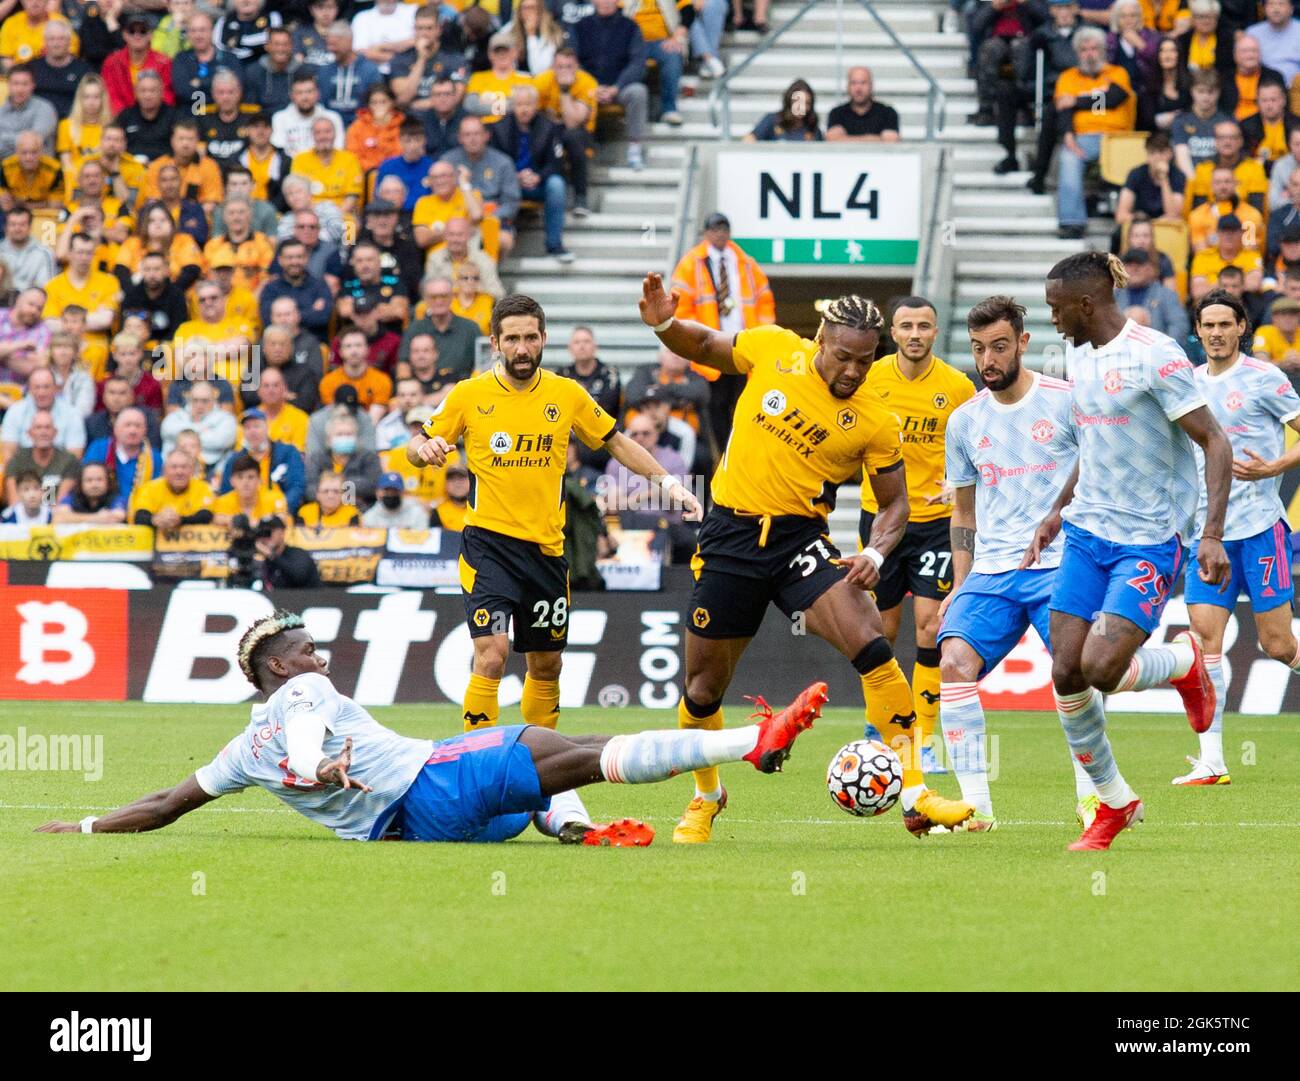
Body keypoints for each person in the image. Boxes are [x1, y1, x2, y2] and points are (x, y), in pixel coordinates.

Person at [638, 272, 983, 842]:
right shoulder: (774, 349)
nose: (853, 370)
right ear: (820, 339)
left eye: (867, 360)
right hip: (730, 537)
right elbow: (702, 346)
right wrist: (665, 324)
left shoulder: (875, 417)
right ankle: (706, 796)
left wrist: (876, 548)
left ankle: (917, 795)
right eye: (844, 356)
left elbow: (895, 506)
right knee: (701, 691)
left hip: (801, 540)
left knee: (873, 646)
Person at [37, 611, 831, 847]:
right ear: (279, 667)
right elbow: (311, 745)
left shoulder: (242, 750)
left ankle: (568, 828)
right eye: (304, 646)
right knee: (576, 751)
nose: (319, 652)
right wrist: (316, 767)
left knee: (542, 780)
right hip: (431, 779)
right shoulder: (303, 692)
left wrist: (85, 822)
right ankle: (746, 743)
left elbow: (168, 802)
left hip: (421, 830)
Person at [407, 293, 703, 737]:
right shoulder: (469, 395)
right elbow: (417, 445)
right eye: (512, 339)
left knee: (546, 665)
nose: (521, 348)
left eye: (530, 337)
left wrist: (670, 483)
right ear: (495, 342)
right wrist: (423, 449)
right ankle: (475, 767)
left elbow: (616, 441)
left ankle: (539, 772)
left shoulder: (566, 394)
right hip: (488, 545)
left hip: (546, 551)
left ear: (544, 339)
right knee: (491, 654)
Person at [1023, 250, 1233, 850]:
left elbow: (1214, 442)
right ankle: (1114, 803)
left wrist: (1210, 534)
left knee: (1101, 670)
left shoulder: (1156, 355)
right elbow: (1090, 445)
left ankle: (1184, 663)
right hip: (1088, 533)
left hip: (1148, 539)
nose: (1052, 319)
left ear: (1087, 304)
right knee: (1064, 670)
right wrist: (1058, 511)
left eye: (1057, 308)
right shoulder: (1079, 355)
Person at [938, 295, 1105, 823]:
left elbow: (1101, 477)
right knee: (953, 666)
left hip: (1060, 565)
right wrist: (960, 585)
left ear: (1023, 343)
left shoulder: (1065, 401)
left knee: (1073, 674)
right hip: (990, 572)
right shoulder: (964, 421)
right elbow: (963, 514)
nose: (988, 359)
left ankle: (1094, 797)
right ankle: (975, 809)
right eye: (979, 348)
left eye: (1000, 346)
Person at [1178, 288, 1300, 784]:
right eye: (1207, 325)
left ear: (1242, 328)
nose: (1216, 333)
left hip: (1259, 531)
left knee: (1278, 645)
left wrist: (1277, 464)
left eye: (1225, 324)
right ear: (1198, 331)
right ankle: (1212, 761)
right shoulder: (1184, 385)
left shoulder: (1264, 379)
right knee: (1206, 642)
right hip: (1209, 537)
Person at [856, 297, 975, 774]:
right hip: (881, 519)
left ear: (934, 331)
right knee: (879, 629)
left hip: (932, 523)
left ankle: (922, 739)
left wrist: (962, 483)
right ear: (894, 331)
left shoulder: (958, 386)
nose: (916, 334)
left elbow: (975, 444)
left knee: (931, 625)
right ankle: (879, 726)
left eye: (924, 325)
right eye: (906, 325)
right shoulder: (871, 377)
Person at [670, 211, 774, 447]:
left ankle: (737, 449)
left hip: (742, 343)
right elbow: (681, 304)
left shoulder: (746, 263)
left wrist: (762, 336)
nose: (719, 234)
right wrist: (692, 338)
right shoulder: (691, 263)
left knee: (743, 403)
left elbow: (764, 300)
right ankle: (722, 455)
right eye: (714, 229)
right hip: (710, 345)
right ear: (706, 233)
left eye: (724, 229)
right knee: (715, 407)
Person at [1054, 26, 1136, 238]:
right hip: (1084, 138)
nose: (1090, 54)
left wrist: (1077, 101)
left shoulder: (1117, 72)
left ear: (1103, 50)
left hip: (1119, 138)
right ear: (1078, 53)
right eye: (1084, 49)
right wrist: (1068, 135)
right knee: (1068, 157)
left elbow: (1114, 98)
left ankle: (1129, 219)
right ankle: (1072, 222)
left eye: (1094, 48)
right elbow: (1063, 109)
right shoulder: (1067, 77)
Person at [489, 85, 572, 262]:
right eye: (519, 104)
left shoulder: (549, 127)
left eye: (528, 104)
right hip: (507, 185)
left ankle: (554, 245)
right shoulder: (499, 127)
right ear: (512, 106)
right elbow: (494, 161)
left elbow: (557, 163)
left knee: (556, 184)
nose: (524, 109)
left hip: (536, 183)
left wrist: (538, 176)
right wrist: (514, 177)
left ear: (536, 105)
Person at [572, 0, 649, 170]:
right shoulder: (580, 27)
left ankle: (635, 149)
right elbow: (573, 62)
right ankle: (580, 153)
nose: (605, 2)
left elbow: (637, 63)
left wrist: (617, 87)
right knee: (567, 95)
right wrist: (591, 87)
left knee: (638, 92)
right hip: (588, 89)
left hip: (619, 87)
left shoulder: (630, 27)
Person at [532, 46, 597, 216]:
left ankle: (580, 198)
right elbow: (528, 113)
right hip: (549, 130)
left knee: (572, 137)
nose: (564, 71)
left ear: (576, 66)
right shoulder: (541, 81)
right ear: (553, 67)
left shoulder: (587, 82)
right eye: (560, 66)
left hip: (580, 134)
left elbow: (572, 122)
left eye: (568, 66)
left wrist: (565, 91)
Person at [0, 367, 85, 461]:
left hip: (61, 471)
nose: (41, 392)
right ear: (29, 389)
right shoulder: (15, 411)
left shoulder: (72, 414)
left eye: (46, 387)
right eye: (37, 387)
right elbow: (8, 454)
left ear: (56, 388)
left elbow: (75, 456)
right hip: (23, 471)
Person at [399, 274, 480, 372]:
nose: (439, 301)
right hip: (424, 386)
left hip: (463, 385)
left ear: (452, 297)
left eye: (444, 296)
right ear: (425, 299)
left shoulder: (470, 328)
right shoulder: (414, 329)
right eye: (433, 297)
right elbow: (403, 365)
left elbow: (484, 365)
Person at [2, 408, 78, 507]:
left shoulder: (68, 460)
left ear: (55, 432)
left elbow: (60, 504)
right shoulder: (17, 460)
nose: (43, 432)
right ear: (29, 433)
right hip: (22, 517)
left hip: (55, 517)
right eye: (38, 427)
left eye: (47, 427)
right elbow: (14, 503)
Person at [103, 13, 175, 115]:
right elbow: (111, 96)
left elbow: (167, 96)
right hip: (121, 118)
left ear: (150, 35)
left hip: (156, 117)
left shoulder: (164, 62)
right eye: (132, 31)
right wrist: (127, 118)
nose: (137, 36)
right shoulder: (112, 62)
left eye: (143, 31)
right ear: (124, 35)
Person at [317, 22, 383, 127]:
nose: (330, 49)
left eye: (334, 44)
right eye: (329, 45)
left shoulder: (369, 70)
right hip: (330, 128)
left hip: (362, 126)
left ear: (349, 41)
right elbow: (321, 105)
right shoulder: (325, 71)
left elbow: (376, 103)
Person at [1115, 248, 1191, 340]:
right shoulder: (1114, 296)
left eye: (1139, 264)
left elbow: (1180, 326)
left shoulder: (1166, 295)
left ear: (1150, 268)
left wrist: (1162, 349)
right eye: (1129, 264)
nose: (1134, 268)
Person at [130, 447, 215, 529]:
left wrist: (180, 520)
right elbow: (139, 516)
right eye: (174, 467)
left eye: (184, 467)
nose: (179, 472)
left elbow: (206, 516)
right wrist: (154, 520)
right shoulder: (150, 488)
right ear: (164, 471)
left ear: (191, 471)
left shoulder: (203, 488)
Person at [1115, 131, 1185, 226]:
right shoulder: (1136, 174)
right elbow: (1121, 216)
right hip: (1140, 226)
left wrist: (1164, 179)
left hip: (1166, 229)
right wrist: (1147, 222)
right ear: (1147, 154)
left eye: (1161, 152)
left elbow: (1173, 215)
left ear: (1170, 154)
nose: (1157, 157)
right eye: (1152, 152)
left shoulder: (1178, 176)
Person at [272, 69, 345, 158]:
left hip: (326, 167)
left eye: (309, 92)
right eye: (299, 93)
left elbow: (338, 149)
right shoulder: (280, 118)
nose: (305, 97)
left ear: (318, 94)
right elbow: (280, 149)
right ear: (291, 96)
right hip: (292, 167)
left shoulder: (333, 117)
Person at [1190, 213, 1264, 298]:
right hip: (1212, 303)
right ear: (1217, 234)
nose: (1228, 235)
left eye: (1233, 231)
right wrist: (1233, 285)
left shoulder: (1252, 255)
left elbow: (1254, 284)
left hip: (1243, 303)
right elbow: (1198, 292)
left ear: (1241, 233)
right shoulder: (1203, 257)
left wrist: (1220, 285)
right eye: (1224, 231)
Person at [211, 451, 290, 528]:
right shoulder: (224, 501)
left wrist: (252, 524)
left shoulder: (274, 498)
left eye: (251, 477)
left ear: (259, 480)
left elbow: (282, 518)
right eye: (240, 477)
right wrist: (236, 521)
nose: (245, 483)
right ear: (232, 481)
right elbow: (217, 519)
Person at [824, 66, 900, 144]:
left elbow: (891, 141)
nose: (858, 88)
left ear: (871, 85)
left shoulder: (887, 113)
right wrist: (877, 138)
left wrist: (845, 139)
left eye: (863, 83)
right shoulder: (837, 113)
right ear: (847, 87)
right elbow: (832, 139)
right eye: (853, 83)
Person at [0, 63, 57, 159]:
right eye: (15, 83)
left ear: (33, 85)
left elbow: (31, 143)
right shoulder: (1, 112)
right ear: (8, 85)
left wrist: (4, 139)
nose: (20, 89)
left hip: (40, 170)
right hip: (7, 169)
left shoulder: (45, 109)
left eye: (25, 84)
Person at [251, 518, 322, 588]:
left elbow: (299, 576)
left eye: (268, 532)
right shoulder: (261, 559)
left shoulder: (298, 554)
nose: (265, 538)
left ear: (282, 533)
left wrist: (271, 555)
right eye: (262, 533)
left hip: (308, 598)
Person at [745, 79, 822, 142]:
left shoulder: (812, 128)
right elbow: (749, 139)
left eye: (807, 103)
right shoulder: (773, 120)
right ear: (789, 100)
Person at [0, 206, 55, 293]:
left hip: (31, 304)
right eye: (13, 224)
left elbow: (45, 289)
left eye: (22, 224)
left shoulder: (44, 253)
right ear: (6, 227)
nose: (17, 229)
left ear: (30, 227)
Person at [52, 460, 125, 523]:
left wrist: (74, 518)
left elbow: (119, 516)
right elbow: (58, 518)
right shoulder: (73, 497)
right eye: (89, 480)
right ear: (80, 483)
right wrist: (96, 518)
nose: (94, 484)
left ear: (108, 482)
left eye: (99, 479)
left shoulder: (115, 497)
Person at [297, 466, 363, 527]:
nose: (330, 496)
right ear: (318, 495)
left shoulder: (352, 514)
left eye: (336, 491)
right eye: (325, 491)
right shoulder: (304, 513)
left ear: (343, 495)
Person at [362, 469, 428, 528]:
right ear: (377, 493)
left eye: (395, 491)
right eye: (386, 491)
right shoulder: (369, 518)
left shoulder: (416, 513)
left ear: (403, 493)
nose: (391, 494)